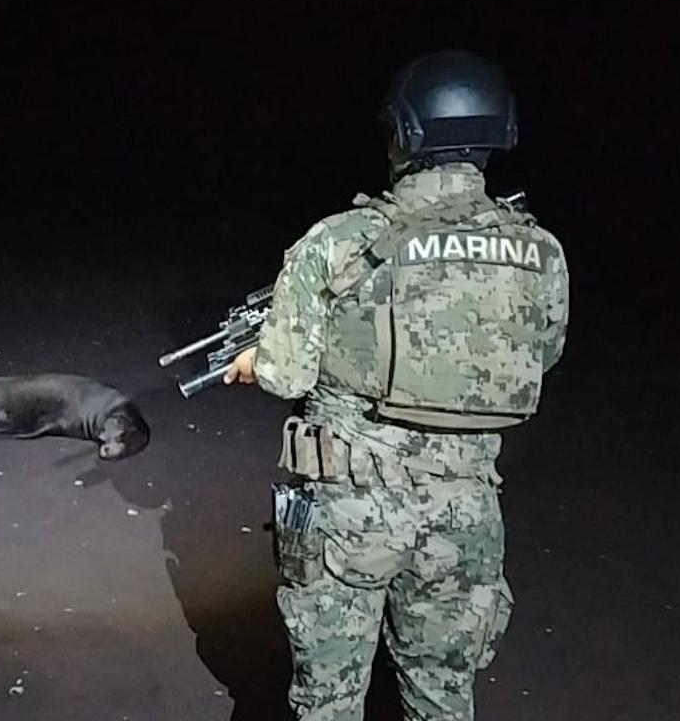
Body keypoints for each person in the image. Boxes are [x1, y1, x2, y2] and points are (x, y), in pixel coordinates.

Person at [223, 49, 570, 720]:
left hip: (349, 512)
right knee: (442, 699)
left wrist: (257, 359)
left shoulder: (340, 241)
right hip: (467, 513)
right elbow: (539, 358)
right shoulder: (542, 253)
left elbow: (287, 372)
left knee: (328, 704)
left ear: (405, 134)